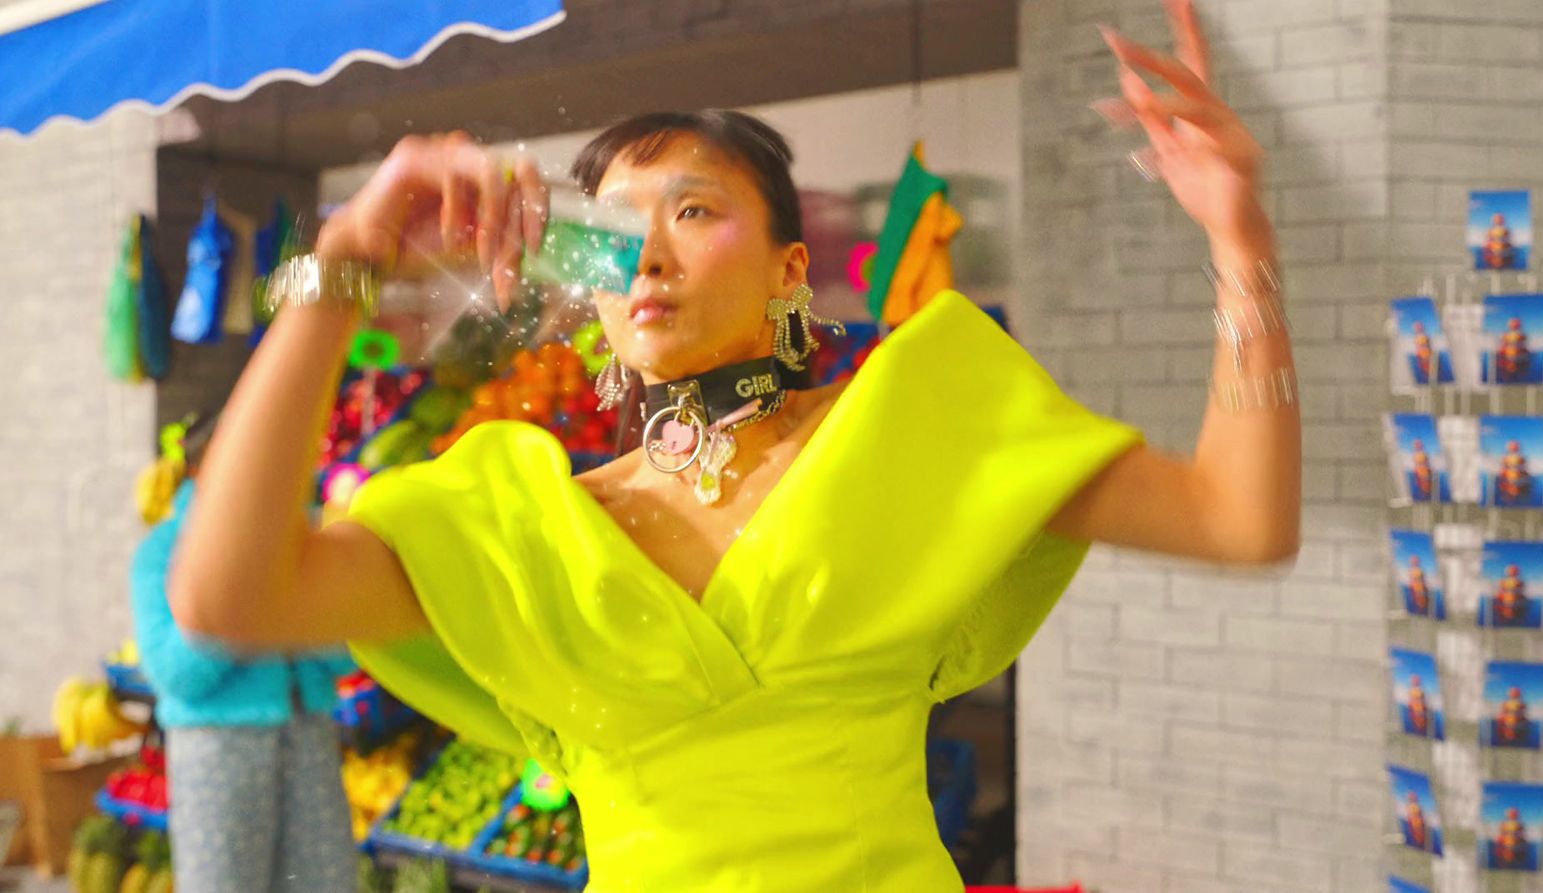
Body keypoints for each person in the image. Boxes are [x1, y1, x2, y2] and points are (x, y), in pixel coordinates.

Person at [170, 2, 1300, 889]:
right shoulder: (522, 524)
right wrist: (347, 254)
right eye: (615, 229)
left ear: (788, 271)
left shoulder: (912, 432)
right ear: (589, 288)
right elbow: (228, 596)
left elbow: (1238, 520)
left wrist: (1239, 236)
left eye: (695, 210)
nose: (649, 255)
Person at [131, 417, 359, 893]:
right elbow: (174, 673)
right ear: (199, 471)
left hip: (308, 737)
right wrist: (254, 604)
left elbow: (346, 655)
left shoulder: (299, 538)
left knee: (327, 883)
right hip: (218, 748)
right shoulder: (162, 553)